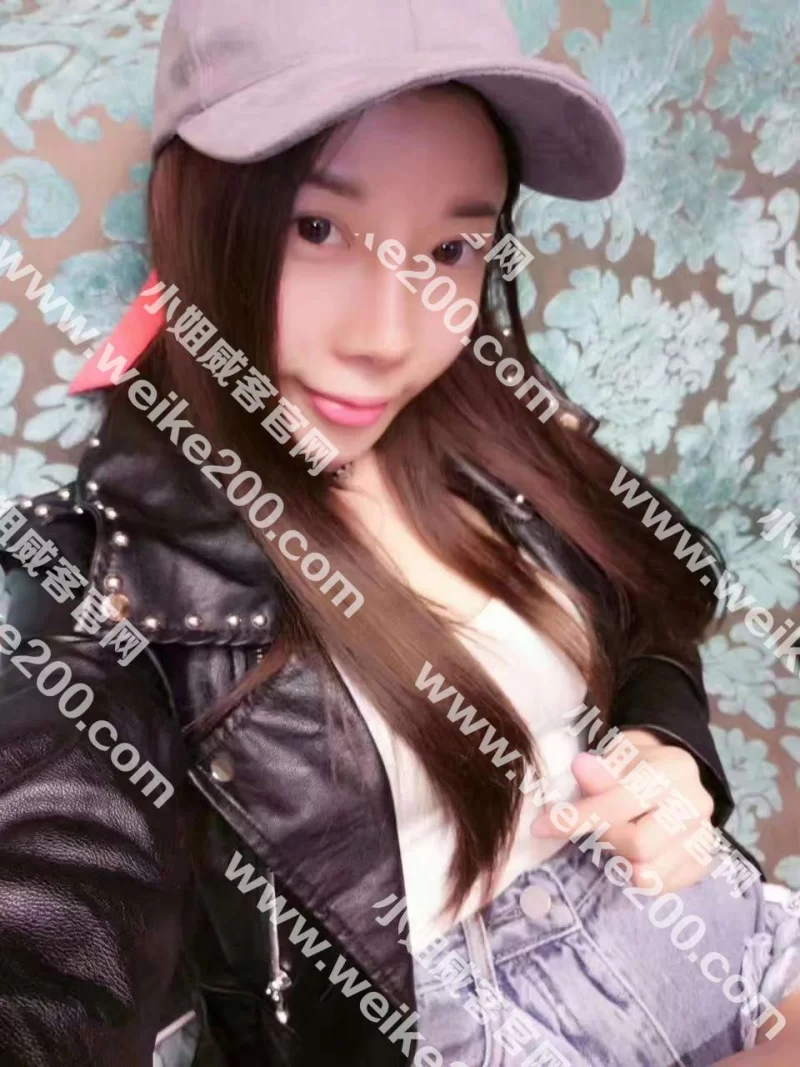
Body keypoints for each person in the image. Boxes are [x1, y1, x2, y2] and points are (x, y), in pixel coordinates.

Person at [0, 0, 798, 1064]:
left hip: (702, 923)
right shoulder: (106, 577)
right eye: (317, 229)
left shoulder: (491, 421)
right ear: (194, 208)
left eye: (450, 247)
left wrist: (665, 748)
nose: (387, 337)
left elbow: (652, 606)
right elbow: (55, 922)